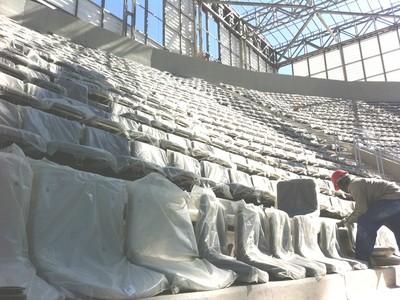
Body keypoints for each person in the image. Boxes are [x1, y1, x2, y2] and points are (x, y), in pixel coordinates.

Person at [331, 169, 400, 267]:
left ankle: (362, 260)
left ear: (341, 183)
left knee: (365, 222)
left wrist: (346, 221)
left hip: (389, 199)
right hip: (396, 200)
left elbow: (362, 209)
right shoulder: (360, 182)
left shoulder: (354, 185)